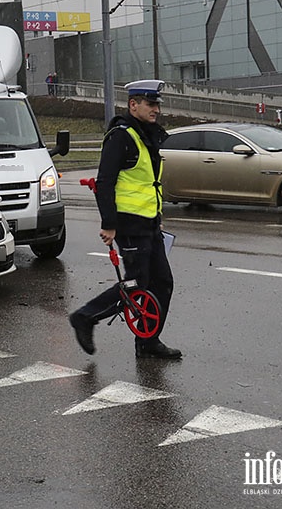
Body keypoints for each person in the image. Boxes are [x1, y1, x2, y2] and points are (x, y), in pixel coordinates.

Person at [68, 79, 181, 360]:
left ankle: (147, 340)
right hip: (129, 225)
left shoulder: (147, 134)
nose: (156, 109)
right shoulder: (121, 136)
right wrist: (109, 223)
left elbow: (148, 183)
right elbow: (105, 182)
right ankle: (85, 316)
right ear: (133, 105)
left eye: (157, 104)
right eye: (151, 104)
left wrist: (158, 217)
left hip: (150, 223)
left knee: (162, 282)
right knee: (136, 285)